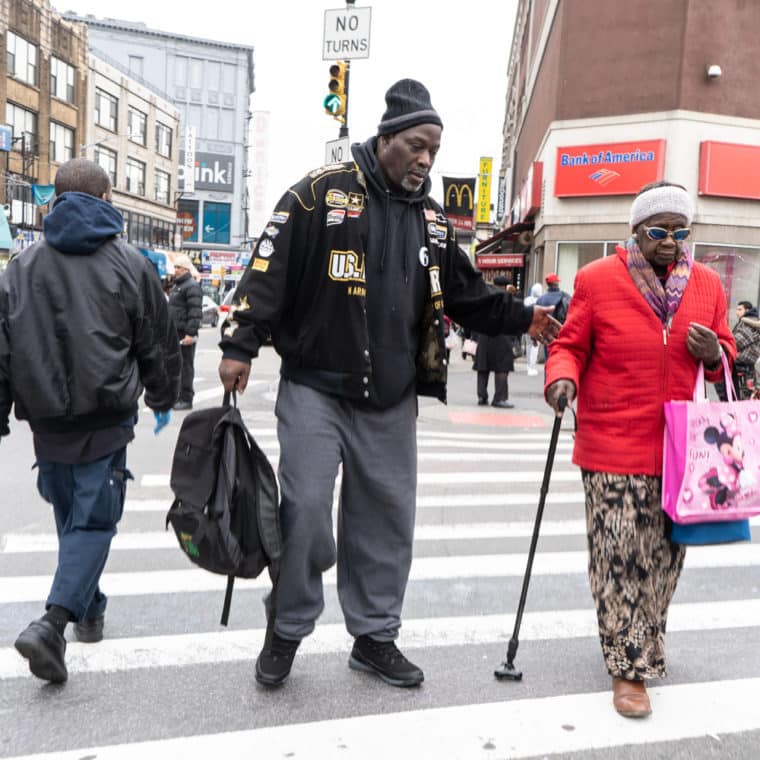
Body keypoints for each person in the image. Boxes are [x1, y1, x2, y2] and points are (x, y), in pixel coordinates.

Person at [218, 79, 560, 689]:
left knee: (385, 518)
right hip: (316, 387)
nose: (426, 159)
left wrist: (523, 318)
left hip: (391, 396)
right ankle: (287, 628)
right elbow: (267, 269)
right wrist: (239, 343)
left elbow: (468, 295)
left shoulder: (433, 221)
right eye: (417, 145)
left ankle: (375, 637)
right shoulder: (317, 195)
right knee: (305, 514)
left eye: (434, 150)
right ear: (386, 139)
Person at [544, 180, 736, 718]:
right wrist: (562, 379)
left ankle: (643, 641)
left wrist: (715, 352)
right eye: (659, 231)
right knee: (620, 559)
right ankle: (628, 670)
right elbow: (569, 345)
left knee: (664, 562)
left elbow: (725, 355)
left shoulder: (707, 285)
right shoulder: (597, 279)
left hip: (684, 451)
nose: (671, 242)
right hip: (612, 445)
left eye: (681, 232)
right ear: (635, 232)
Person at [0, 158, 180, 684]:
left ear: (56, 199)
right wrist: (163, 396)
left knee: (76, 518)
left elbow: (2, 352)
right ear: (106, 198)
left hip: (47, 422)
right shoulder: (131, 263)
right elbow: (156, 341)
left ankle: (90, 609)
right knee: (92, 521)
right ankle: (54, 623)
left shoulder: (20, 267)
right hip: (105, 418)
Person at [473, 276, 516, 408]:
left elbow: (475, 317)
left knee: (483, 366)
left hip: (484, 336)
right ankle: (499, 398)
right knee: (502, 368)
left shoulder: (484, 297)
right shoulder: (508, 299)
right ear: (505, 286)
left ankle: (482, 396)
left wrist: (473, 337)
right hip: (502, 337)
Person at [169, 253, 203, 410]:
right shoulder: (178, 286)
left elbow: (195, 312)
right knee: (176, 367)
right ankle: (178, 397)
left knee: (186, 367)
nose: (176, 270)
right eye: (175, 267)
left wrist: (190, 333)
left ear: (186, 269)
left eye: (179, 267)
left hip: (185, 333)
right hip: (176, 332)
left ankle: (186, 399)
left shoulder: (191, 286)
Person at [523, 282, 544, 375]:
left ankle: (528, 365)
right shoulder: (541, 301)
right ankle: (532, 367)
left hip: (526, 325)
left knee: (528, 345)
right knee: (535, 346)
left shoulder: (526, 300)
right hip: (536, 326)